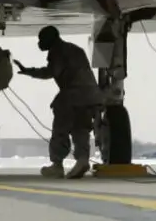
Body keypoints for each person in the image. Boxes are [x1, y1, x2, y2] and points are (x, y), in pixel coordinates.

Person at [14, 25, 104, 179]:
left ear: (50, 39)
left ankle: (57, 165)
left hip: (72, 96)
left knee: (60, 130)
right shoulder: (75, 49)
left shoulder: (57, 51)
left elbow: (51, 72)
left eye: (41, 40)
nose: (39, 43)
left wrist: (29, 71)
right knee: (80, 129)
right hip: (91, 96)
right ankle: (82, 160)